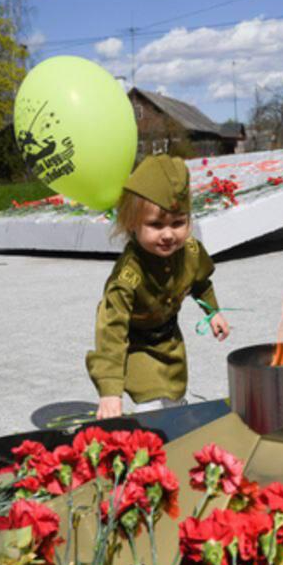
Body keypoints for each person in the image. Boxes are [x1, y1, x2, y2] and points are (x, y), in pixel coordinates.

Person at [86, 155, 230, 419]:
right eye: (155, 225)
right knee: (150, 407)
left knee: (173, 397)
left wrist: (212, 312)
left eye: (178, 223)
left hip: (170, 342)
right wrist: (109, 391)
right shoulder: (128, 275)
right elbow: (111, 331)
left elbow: (200, 282)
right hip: (137, 344)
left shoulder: (190, 250)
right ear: (132, 223)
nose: (168, 234)